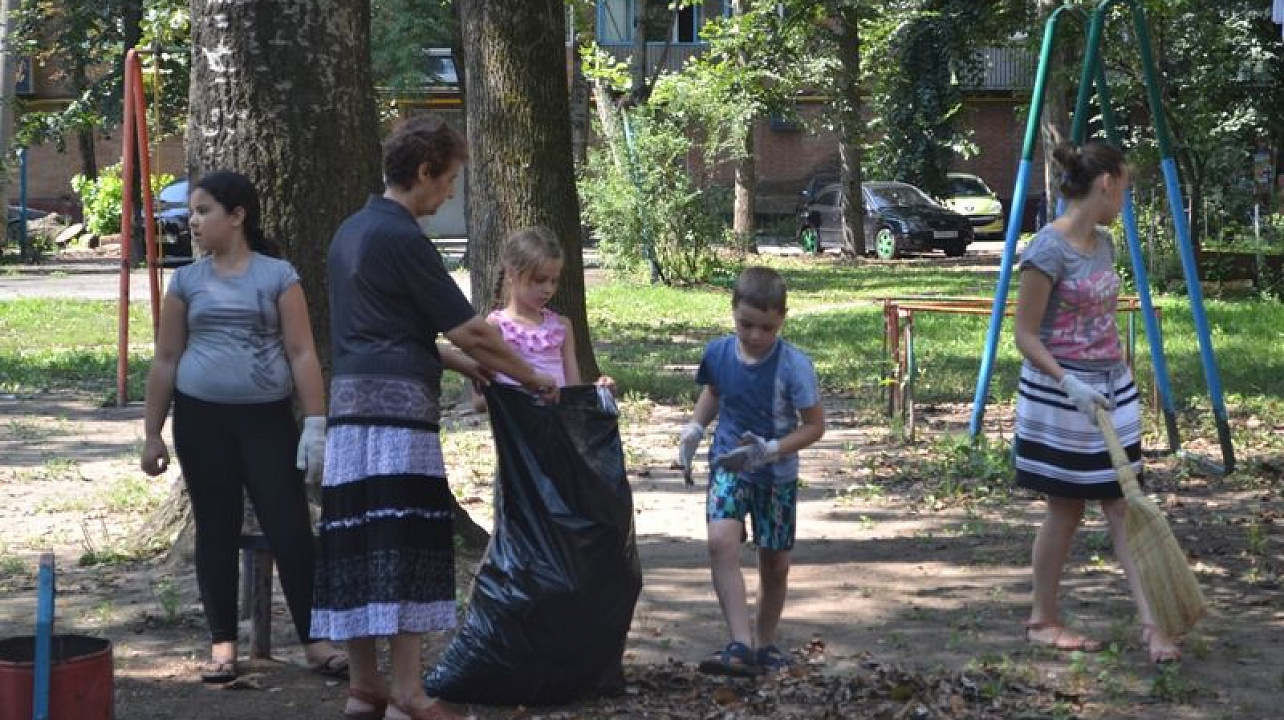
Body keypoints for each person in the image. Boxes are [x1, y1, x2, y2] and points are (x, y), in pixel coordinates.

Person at [312, 115, 559, 720]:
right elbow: (473, 328)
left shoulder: (351, 231)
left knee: (359, 545)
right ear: (423, 173)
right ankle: (409, 692)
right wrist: (530, 375)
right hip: (398, 424)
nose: (450, 192)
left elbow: (385, 329)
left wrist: (453, 364)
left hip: (348, 413)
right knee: (405, 546)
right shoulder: (403, 238)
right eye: (448, 180)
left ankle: (363, 686)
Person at [140, 170, 348, 684]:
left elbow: (302, 353)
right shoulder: (186, 281)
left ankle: (316, 642)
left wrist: (316, 424)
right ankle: (223, 645)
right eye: (192, 211)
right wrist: (151, 431)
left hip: (266, 422)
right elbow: (166, 359)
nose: (192, 220)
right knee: (216, 528)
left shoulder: (277, 275)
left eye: (203, 210)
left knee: (291, 528)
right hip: (202, 421)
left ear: (237, 217)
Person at [1013, 140, 1181, 664]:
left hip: (1111, 389)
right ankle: (1042, 620)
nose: (1125, 195)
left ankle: (1154, 627)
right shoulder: (1046, 249)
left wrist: (1118, 374)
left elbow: (1101, 319)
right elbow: (1024, 335)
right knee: (1066, 508)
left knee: (1121, 506)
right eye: (1125, 184)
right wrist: (1069, 383)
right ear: (1106, 182)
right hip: (1062, 397)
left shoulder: (1104, 243)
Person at [675, 266, 825, 676]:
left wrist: (773, 449)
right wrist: (694, 428)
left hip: (776, 479)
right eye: (746, 325)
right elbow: (714, 392)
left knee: (774, 563)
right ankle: (739, 642)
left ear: (782, 319)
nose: (755, 336)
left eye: (766, 327)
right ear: (732, 312)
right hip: (729, 465)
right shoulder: (718, 353)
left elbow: (815, 425)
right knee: (720, 543)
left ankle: (765, 642)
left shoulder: (794, 366)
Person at [475, 225, 613, 401]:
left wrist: (598, 390)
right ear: (512, 274)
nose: (548, 289)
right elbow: (479, 400)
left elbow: (573, 391)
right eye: (539, 280)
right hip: (516, 426)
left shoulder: (562, 326)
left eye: (554, 281)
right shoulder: (496, 327)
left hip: (557, 424)